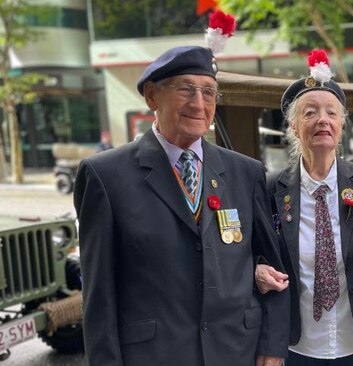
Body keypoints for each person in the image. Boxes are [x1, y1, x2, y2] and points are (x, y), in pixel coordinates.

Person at [74, 45, 289, 366]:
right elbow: (99, 295)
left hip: (235, 351)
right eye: (185, 90)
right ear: (151, 96)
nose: (199, 104)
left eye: (209, 92)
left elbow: (269, 262)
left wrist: (272, 344)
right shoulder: (106, 176)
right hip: (153, 356)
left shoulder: (246, 172)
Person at [253, 49, 353, 365]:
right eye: (310, 112)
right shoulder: (271, 188)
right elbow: (252, 252)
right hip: (297, 342)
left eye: (331, 112)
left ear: (341, 125)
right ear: (293, 126)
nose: (322, 120)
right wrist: (254, 269)